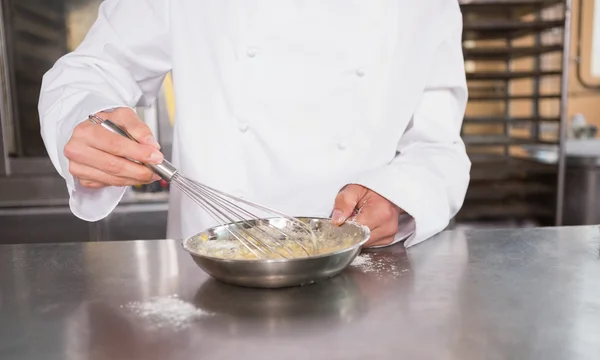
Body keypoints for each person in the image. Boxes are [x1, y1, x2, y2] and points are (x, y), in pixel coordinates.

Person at [39, 0, 470, 248]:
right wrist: (83, 120)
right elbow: (92, 69)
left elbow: (438, 146)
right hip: (209, 273)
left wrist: (400, 197)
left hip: (363, 280)